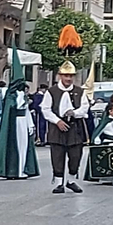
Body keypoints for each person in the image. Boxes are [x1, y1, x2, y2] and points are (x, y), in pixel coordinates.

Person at [42, 62, 90, 194]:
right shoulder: (51, 92)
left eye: (70, 76)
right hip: (57, 128)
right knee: (57, 156)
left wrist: (74, 112)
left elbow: (85, 107)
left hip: (75, 127)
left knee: (75, 156)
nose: (68, 79)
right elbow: (46, 109)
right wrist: (57, 121)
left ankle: (71, 180)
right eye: (65, 76)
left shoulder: (80, 92)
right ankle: (58, 183)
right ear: (60, 76)